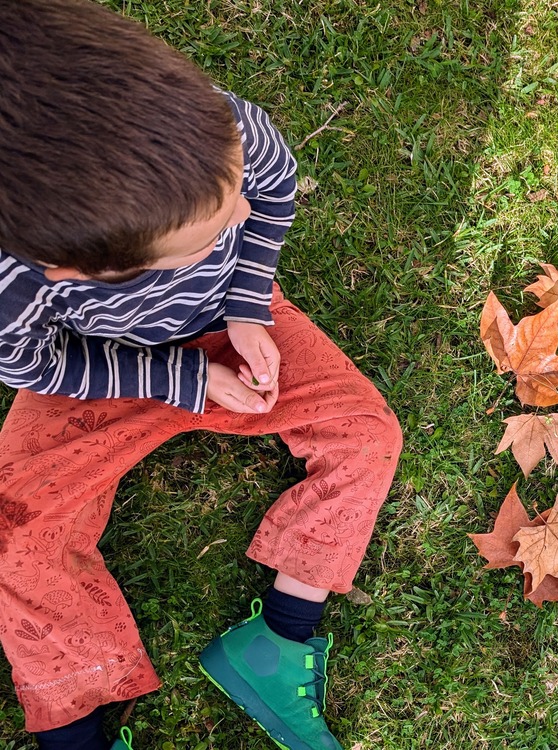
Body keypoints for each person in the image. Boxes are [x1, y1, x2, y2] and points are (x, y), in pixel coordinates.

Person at [0, 2, 404, 749]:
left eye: (231, 195)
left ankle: (278, 640)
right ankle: (75, 724)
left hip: (233, 328)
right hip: (96, 370)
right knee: (11, 537)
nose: (241, 211)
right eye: (213, 232)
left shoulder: (225, 130)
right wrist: (179, 380)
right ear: (83, 270)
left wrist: (248, 301)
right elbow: (37, 363)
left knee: (366, 434)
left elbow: (271, 198)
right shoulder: (13, 287)